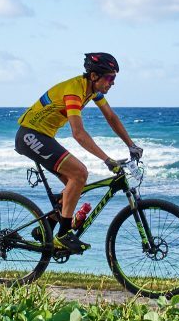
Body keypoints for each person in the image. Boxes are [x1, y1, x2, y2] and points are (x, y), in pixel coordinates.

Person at [15, 52, 143, 253]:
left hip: (43, 136)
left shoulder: (92, 91)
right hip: (31, 135)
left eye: (114, 78)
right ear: (94, 76)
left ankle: (45, 229)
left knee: (73, 188)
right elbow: (78, 133)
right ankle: (64, 235)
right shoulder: (74, 91)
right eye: (109, 78)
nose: (112, 83)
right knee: (80, 173)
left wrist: (131, 145)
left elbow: (111, 117)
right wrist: (107, 159)